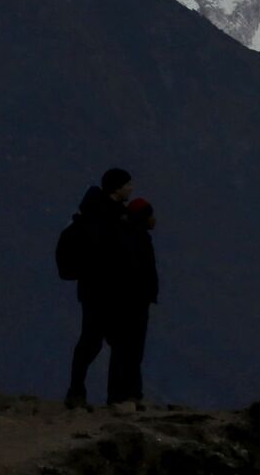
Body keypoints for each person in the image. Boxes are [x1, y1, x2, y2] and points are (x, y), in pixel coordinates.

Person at [65, 167, 158, 410]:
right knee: (95, 341)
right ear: (117, 187)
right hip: (100, 292)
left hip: (103, 292)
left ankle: (105, 395)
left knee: (104, 342)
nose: (131, 187)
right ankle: (83, 393)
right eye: (127, 184)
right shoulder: (105, 217)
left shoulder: (108, 214)